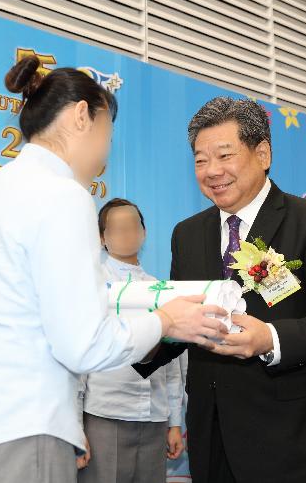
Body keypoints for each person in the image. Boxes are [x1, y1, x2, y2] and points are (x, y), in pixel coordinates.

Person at [0, 57, 227, 483]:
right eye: (108, 134)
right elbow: (84, 344)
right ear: (83, 116)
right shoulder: (62, 195)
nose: (105, 153)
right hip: (17, 436)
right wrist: (167, 320)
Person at [135, 97, 306, 483]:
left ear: (263, 153)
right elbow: (185, 322)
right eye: (200, 160)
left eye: (224, 155)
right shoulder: (187, 234)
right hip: (213, 436)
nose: (212, 171)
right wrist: (136, 336)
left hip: (294, 437)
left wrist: (269, 338)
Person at [79, 198, 184, 483]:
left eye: (133, 225)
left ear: (144, 232)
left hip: (154, 416)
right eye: (117, 227)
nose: (127, 233)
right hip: (105, 413)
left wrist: (175, 422)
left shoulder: (161, 287)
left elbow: (173, 363)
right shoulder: (92, 283)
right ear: (102, 237)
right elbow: (78, 358)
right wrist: (76, 425)